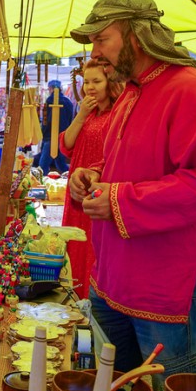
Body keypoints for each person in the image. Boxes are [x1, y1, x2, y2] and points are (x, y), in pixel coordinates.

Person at [67, 0, 196, 391]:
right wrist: (90, 178)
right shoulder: (131, 93)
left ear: (136, 35)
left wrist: (119, 199)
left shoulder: (194, 90)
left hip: (168, 288)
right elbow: (128, 169)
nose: (95, 55)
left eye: (102, 39)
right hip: (112, 278)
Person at [58, 59, 123, 300]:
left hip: (97, 192)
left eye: (97, 81)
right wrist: (82, 114)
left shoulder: (117, 115)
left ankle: (90, 302)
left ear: (110, 82)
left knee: (93, 247)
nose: (90, 87)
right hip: (77, 191)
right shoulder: (88, 112)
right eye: (86, 81)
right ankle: (75, 298)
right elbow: (65, 145)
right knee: (76, 243)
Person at [35, 79, 74, 174]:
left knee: (43, 164)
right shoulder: (68, 102)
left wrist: (43, 133)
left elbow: (46, 120)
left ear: (51, 89)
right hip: (63, 135)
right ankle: (69, 177)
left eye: (49, 89)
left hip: (50, 135)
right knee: (60, 162)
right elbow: (70, 120)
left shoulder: (49, 100)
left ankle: (40, 183)